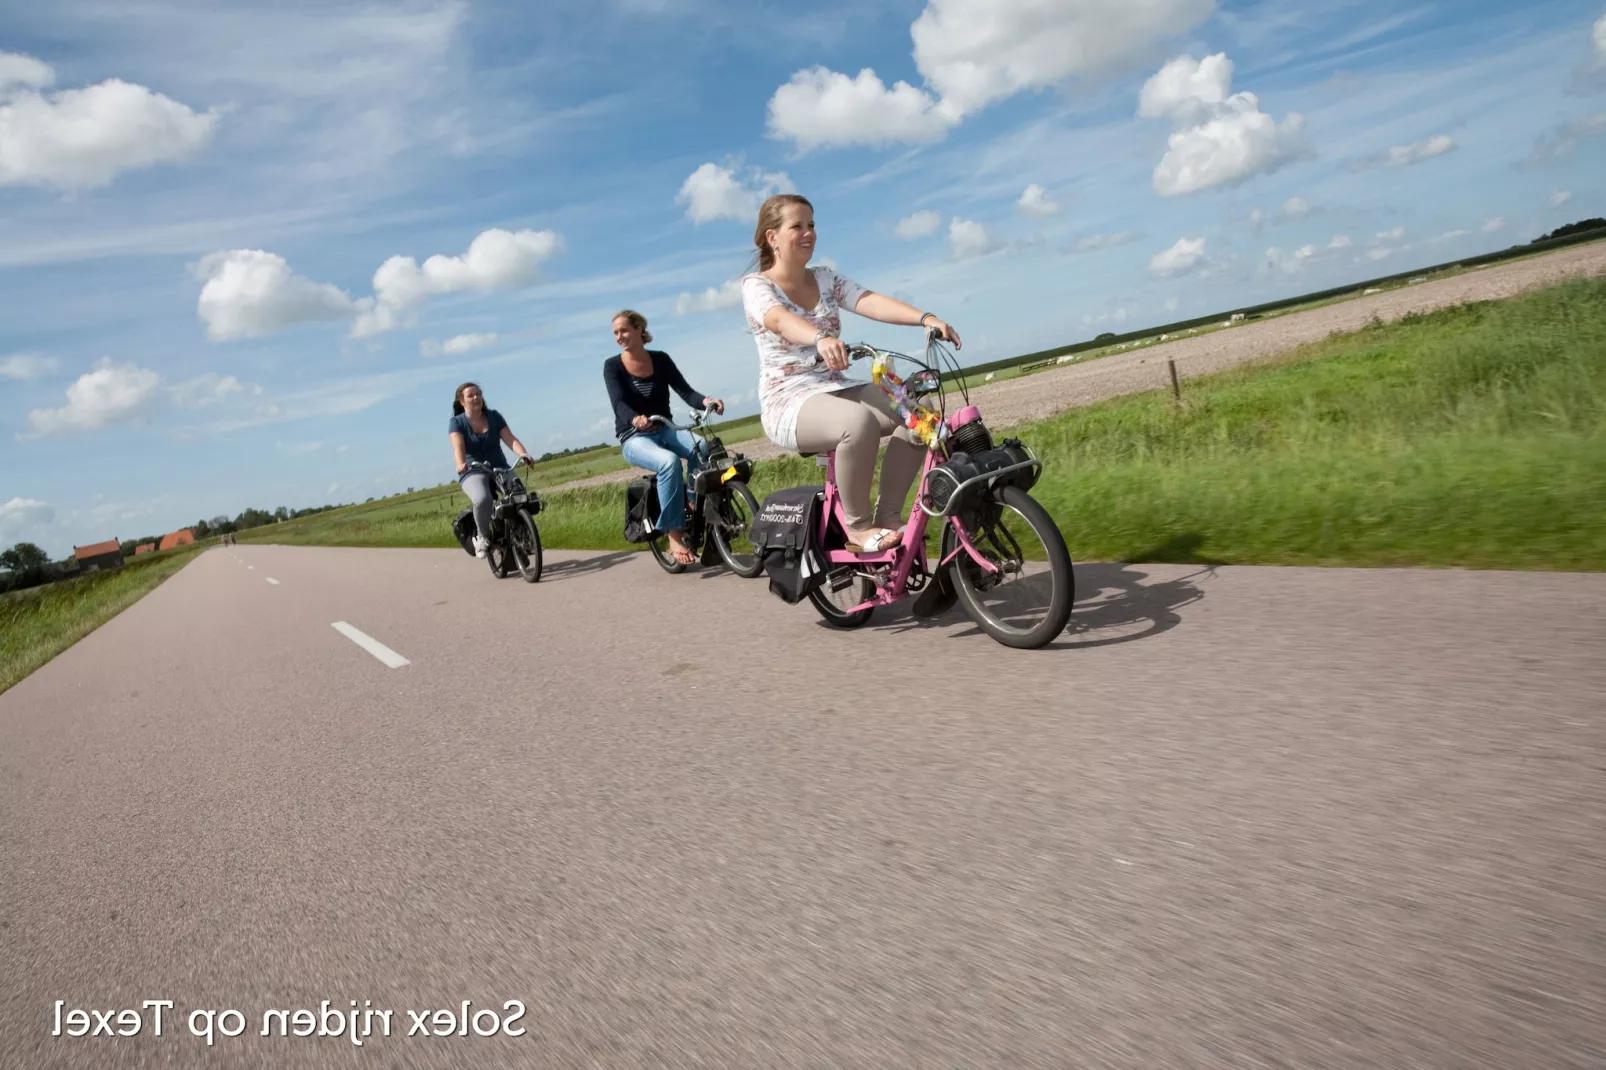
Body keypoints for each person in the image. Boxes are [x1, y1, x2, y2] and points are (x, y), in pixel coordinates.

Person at [740, 193, 961, 553]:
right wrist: (819, 337)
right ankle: (857, 529)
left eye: (812, 225)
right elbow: (778, 320)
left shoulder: (825, 278)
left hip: (835, 385)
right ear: (772, 237)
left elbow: (868, 300)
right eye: (797, 226)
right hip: (789, 399)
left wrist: (926, 317)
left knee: (920, 414)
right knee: (856, 423)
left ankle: (888, 514)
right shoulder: (757, 286)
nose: (809, 232)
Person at [603, 310, 724, 566]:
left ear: (639, 329)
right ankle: (673, 535)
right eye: (615, 333)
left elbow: (685, 391)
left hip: (665, 428)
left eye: (623, 330)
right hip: (634, 437)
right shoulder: (612, 366)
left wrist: (707, 402)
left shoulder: (660, 359)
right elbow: (618, 403)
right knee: (668, 462)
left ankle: (691, 501)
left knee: (701, 446)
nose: (619, 337)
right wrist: (634, 418)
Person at [448, 382, 534, 557]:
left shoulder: (494, 416)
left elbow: (510, 439)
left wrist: (523, 454)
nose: (476, 398)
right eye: (471, 395)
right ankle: (483, 536)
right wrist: (461, 464)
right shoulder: (456, 422)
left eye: (478, 394)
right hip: (473, 470)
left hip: (500, 467)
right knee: (482, 499)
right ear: (462, 401)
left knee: (519, 495)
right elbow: (458, 447)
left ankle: (524, 536)